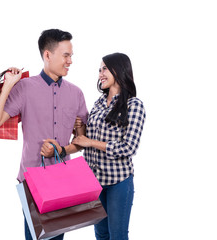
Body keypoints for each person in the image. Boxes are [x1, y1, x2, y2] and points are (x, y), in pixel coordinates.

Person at [0, 29, 88, 240]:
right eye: (66, 55)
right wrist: (7, 86)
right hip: (31, 180)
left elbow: (80, 142)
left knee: (57, 239)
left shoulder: (76, 93)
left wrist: (62, 149)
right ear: (47, 55)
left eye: (71, 55)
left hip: (63, 180)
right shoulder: (25, 88)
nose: (70, 61)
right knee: (35, 238)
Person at [72, 53, 146, 240]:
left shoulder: (134, 105)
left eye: (104, 68)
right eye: (99, 69)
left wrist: (90, 142)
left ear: (119, 70)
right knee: (101, 234)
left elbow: (129, 147)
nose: (100, 74)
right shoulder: (98, 104)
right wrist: (80, 130)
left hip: (118, 182)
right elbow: (86, 140)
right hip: (94, 182)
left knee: (118, 235)